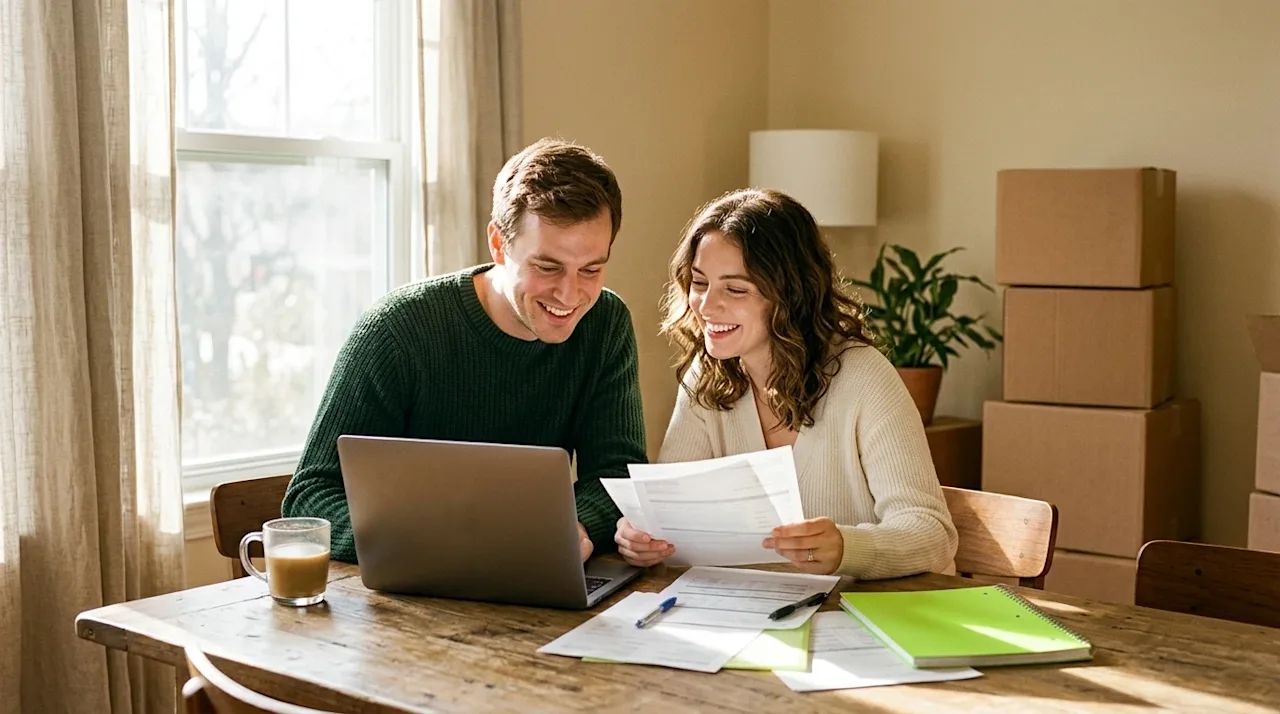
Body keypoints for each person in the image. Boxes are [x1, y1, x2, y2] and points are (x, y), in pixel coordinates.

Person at [283, 138, 647, 564]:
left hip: (537, 576)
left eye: (591, 269)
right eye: (546, 267)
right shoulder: (397, 330)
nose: (570, 295)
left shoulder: (605, 323)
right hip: (407, 594)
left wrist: (577, 529)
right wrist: (430, 545)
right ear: (498, 244)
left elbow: (617, 475)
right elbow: (310, 499)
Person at [614, 188, 957, 580]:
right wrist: (642, 538)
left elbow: (933, 533)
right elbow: (669, 515)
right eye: (699, 282)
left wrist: (848, 548)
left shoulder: (864, 378)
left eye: (735, 288)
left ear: (791, 295)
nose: (706, 306)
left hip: (862, 617)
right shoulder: (705, 378)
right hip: (751, 614)